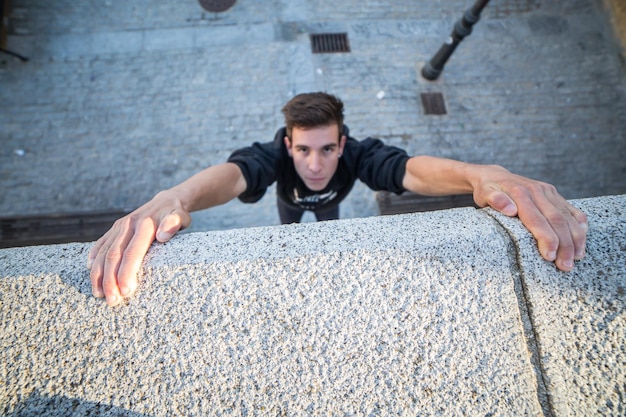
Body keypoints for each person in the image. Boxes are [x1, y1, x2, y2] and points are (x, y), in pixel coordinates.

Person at [88, 92, 588, 306]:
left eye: (327, 149)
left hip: (328, 207)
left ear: (342, 143)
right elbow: (238, 174)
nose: (314, 163)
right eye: (303, 150)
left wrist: (477, 174)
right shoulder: (273, 158)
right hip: (289, 206)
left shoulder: (356, 157)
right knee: (291, 224)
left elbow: (406, 170)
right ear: (288, 144)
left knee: (327, 218)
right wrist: (178, 195)